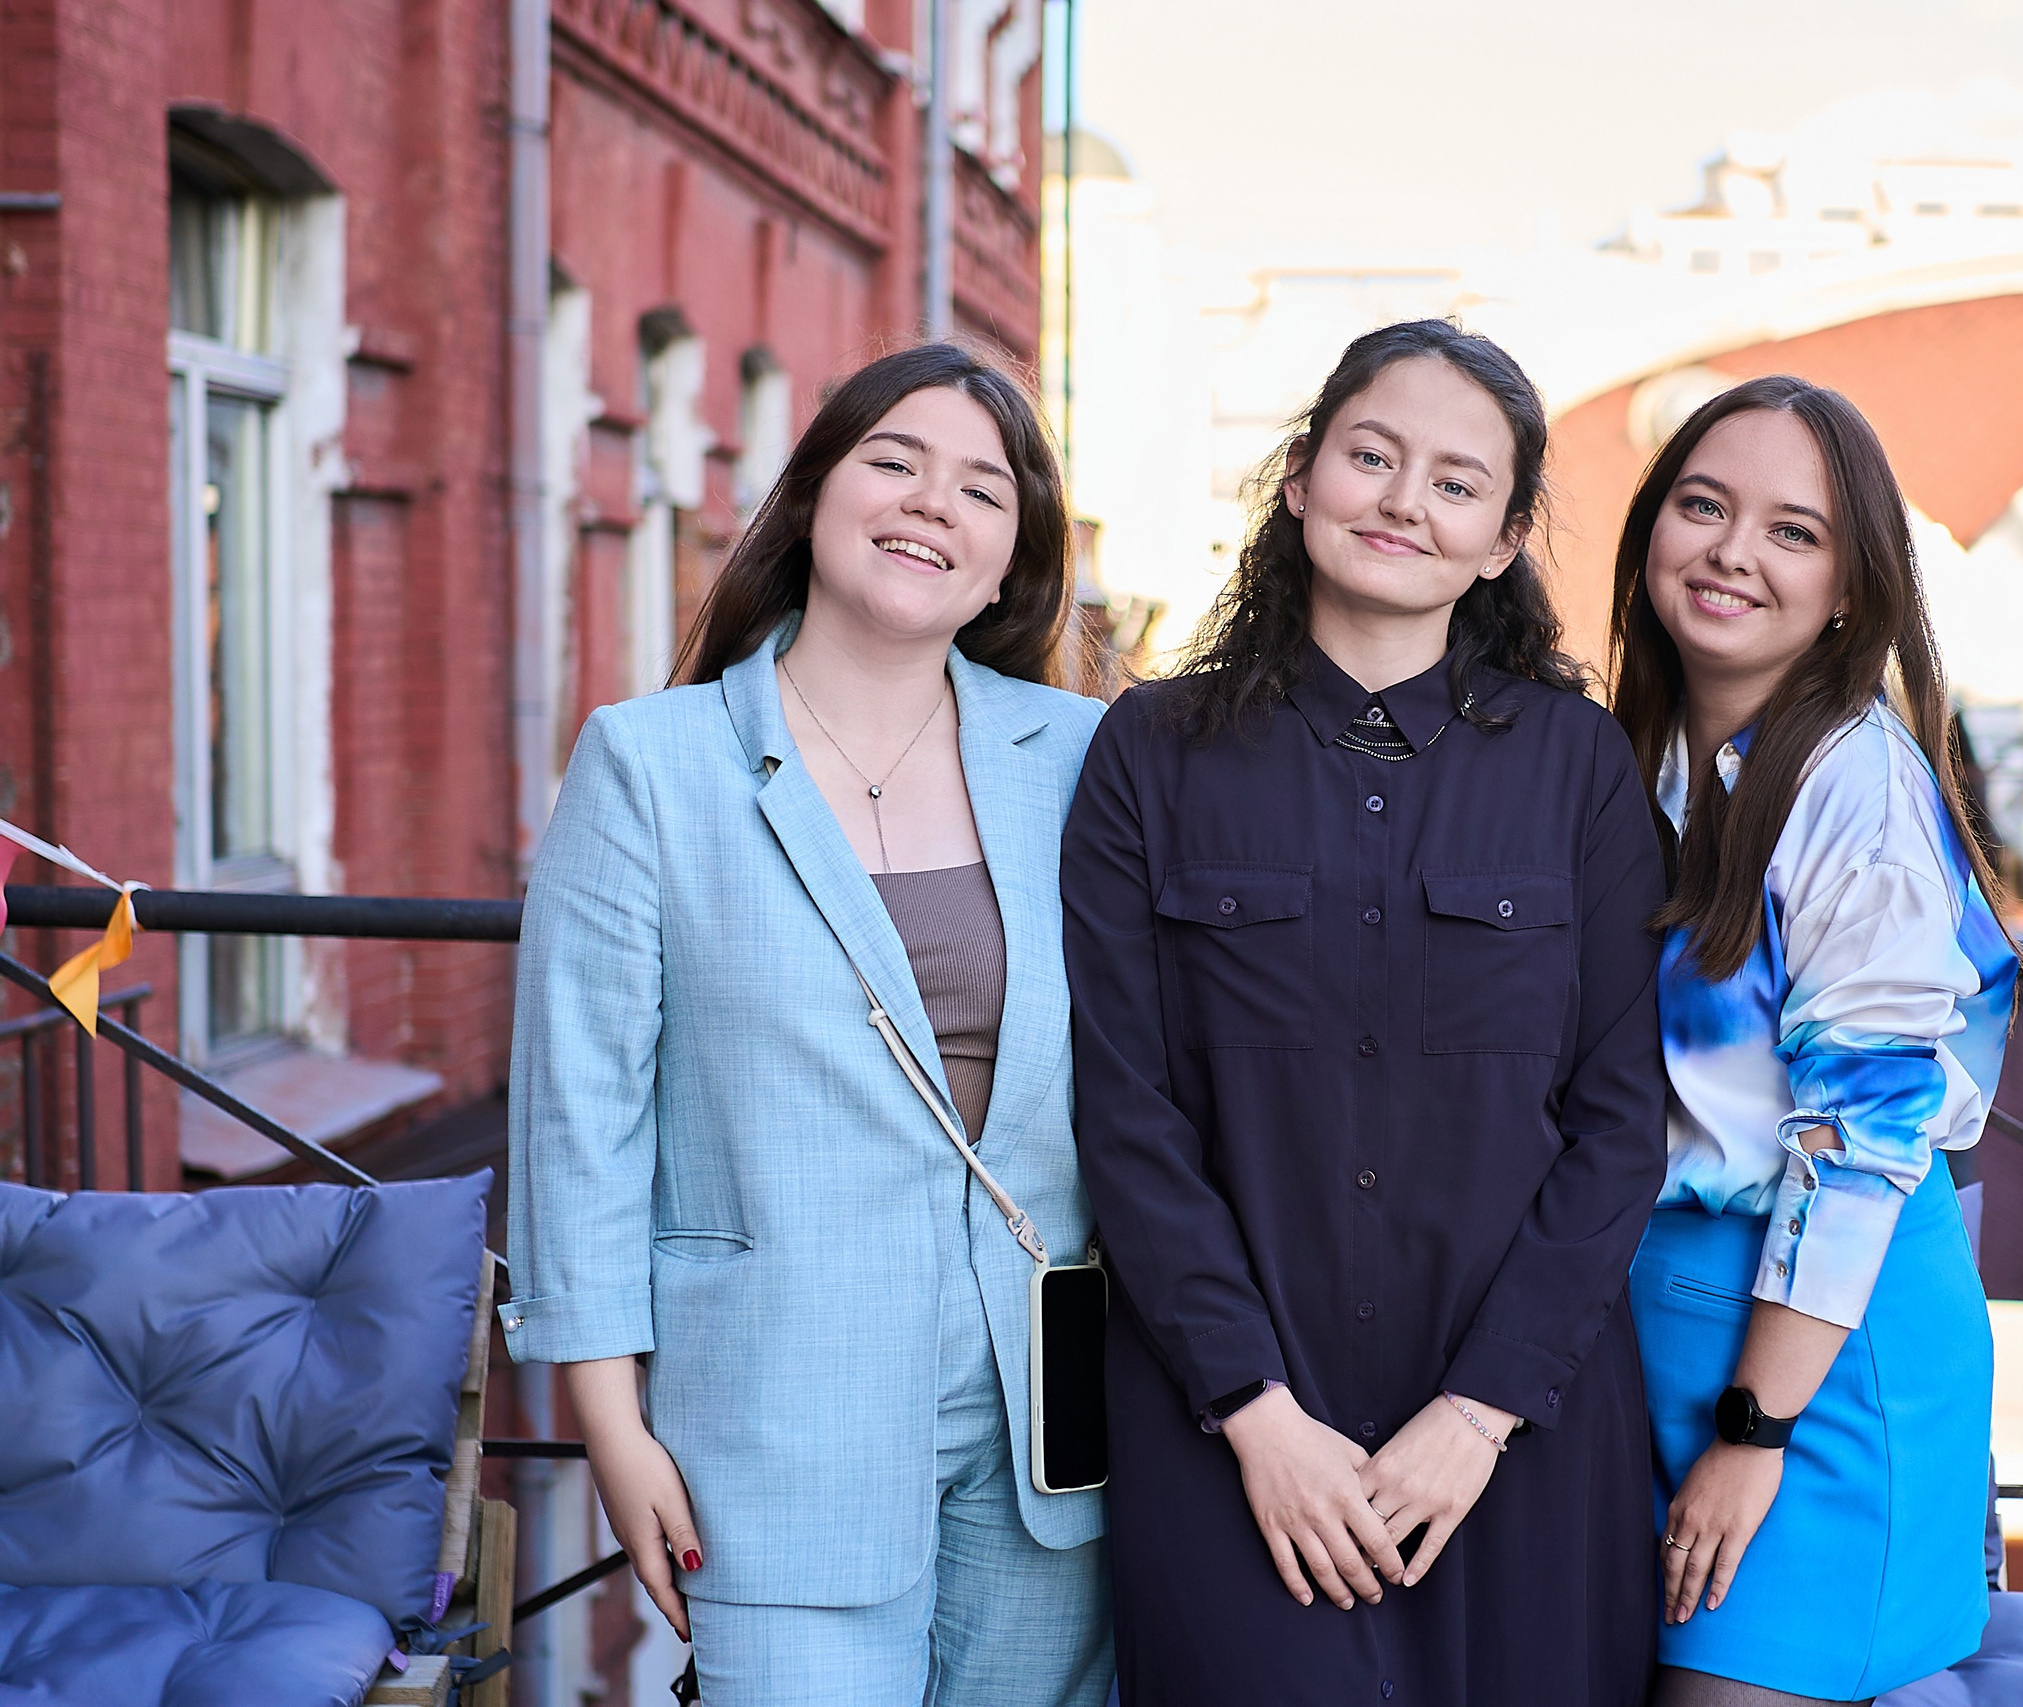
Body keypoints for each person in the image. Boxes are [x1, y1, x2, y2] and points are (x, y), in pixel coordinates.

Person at [1061, 320, 1668, 1706]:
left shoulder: (1577, 766)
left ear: (1504, 539)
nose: (1402, 499)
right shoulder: (1148, 754)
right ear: (1299, 483)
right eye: (1371, 455)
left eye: (1456, 483)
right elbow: (1124, 1112)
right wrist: (1253, 1414)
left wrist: (1480, 1411)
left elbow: (1621, 1124)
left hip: (1518, 1442)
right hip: (1230, 1438)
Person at [504, 341, 1112, 1707]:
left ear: (1014, 559)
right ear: (811, 498)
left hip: (1050, 1430)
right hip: (777, 1417)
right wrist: (612, 1425)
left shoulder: (1080, 759)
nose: (928, 505)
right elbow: (577, 1116)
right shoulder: (649, 764)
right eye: (892, 462)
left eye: (980, 490)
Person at [1607, 374, 2021, 1707]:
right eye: (1704, 506)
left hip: (1817, 1364)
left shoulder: (1855, 782)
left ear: (1853, 586)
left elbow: (1865, 1138)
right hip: (1660, 1324)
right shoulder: (1649, 749)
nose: (1733, 550)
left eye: (1793, 531)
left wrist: (1756, 1428)